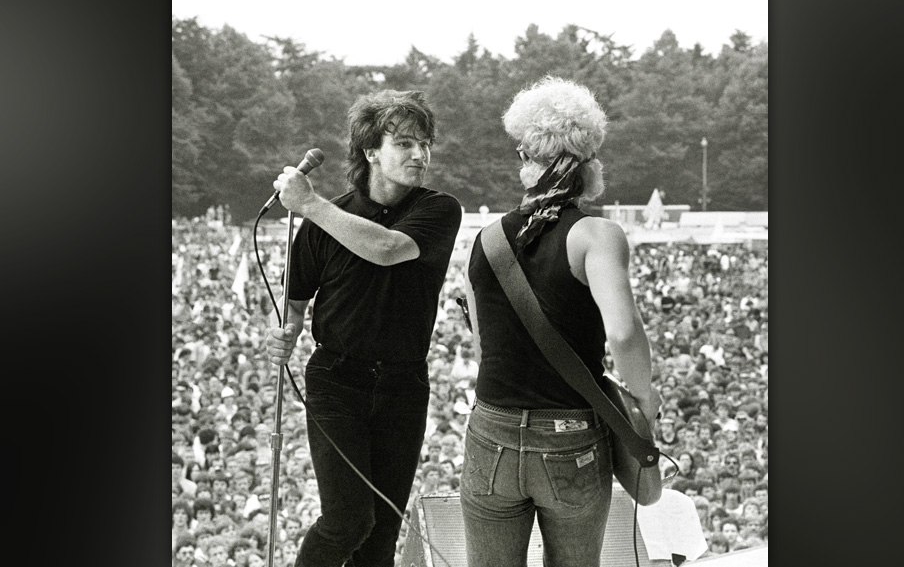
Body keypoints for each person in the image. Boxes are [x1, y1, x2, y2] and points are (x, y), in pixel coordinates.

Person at [460, 76, 662, 567]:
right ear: (589, 163)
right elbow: (623, 332)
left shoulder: (486, 240)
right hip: (569, 433)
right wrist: (644, 400)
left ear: (527, 160)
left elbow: (483, 348)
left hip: (492, 427)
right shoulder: (596, 235)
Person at [264, 88, 462, 567]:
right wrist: (284, 329)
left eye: (425, 144)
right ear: (371, 151)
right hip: (337, 380)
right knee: (348, 520)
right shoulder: (324, 219)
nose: (420, 155)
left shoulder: (439, 209)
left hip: (403, 383)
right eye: (405, 144)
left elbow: (388, 249)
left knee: (381, 534)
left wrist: (310, 205)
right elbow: (293, 300)